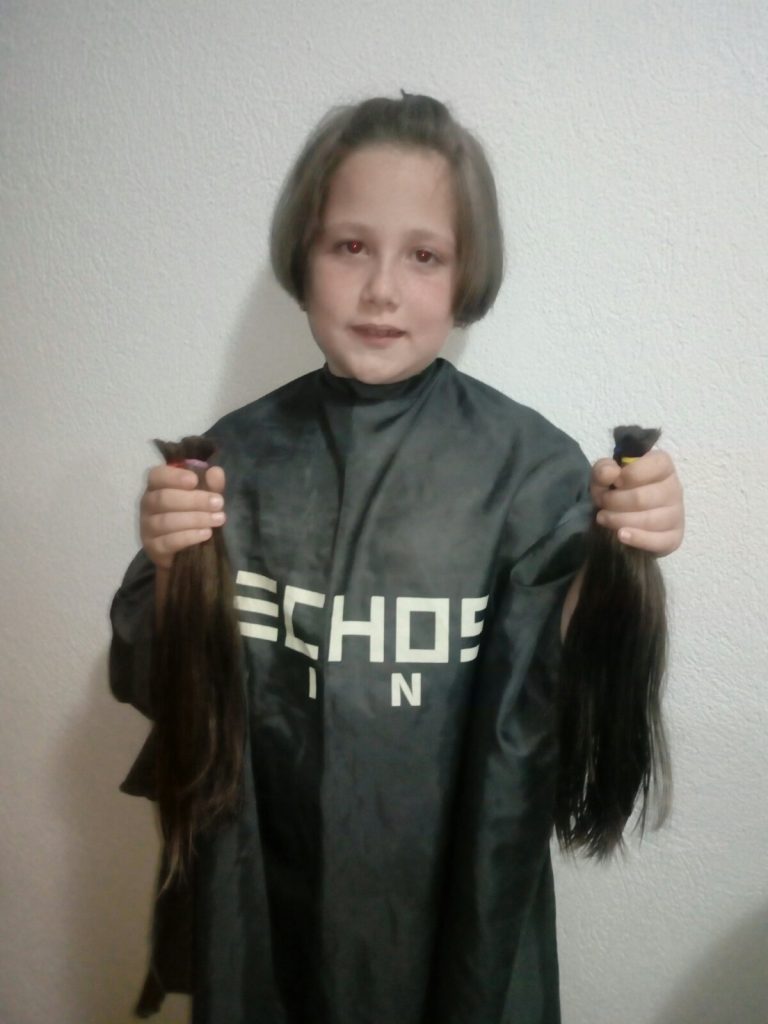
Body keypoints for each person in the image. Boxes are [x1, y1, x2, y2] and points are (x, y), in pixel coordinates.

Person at [109, 93, 685, 1024]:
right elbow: (151, 681)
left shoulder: (529, 470)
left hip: (459, 909)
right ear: (303, 256)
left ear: (467, 274)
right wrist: (171, 565)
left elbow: (569, 692)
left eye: (424, 255)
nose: (381, 289)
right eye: (350, 246)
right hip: (268, 906)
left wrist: (626, 552)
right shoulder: (231, 462)